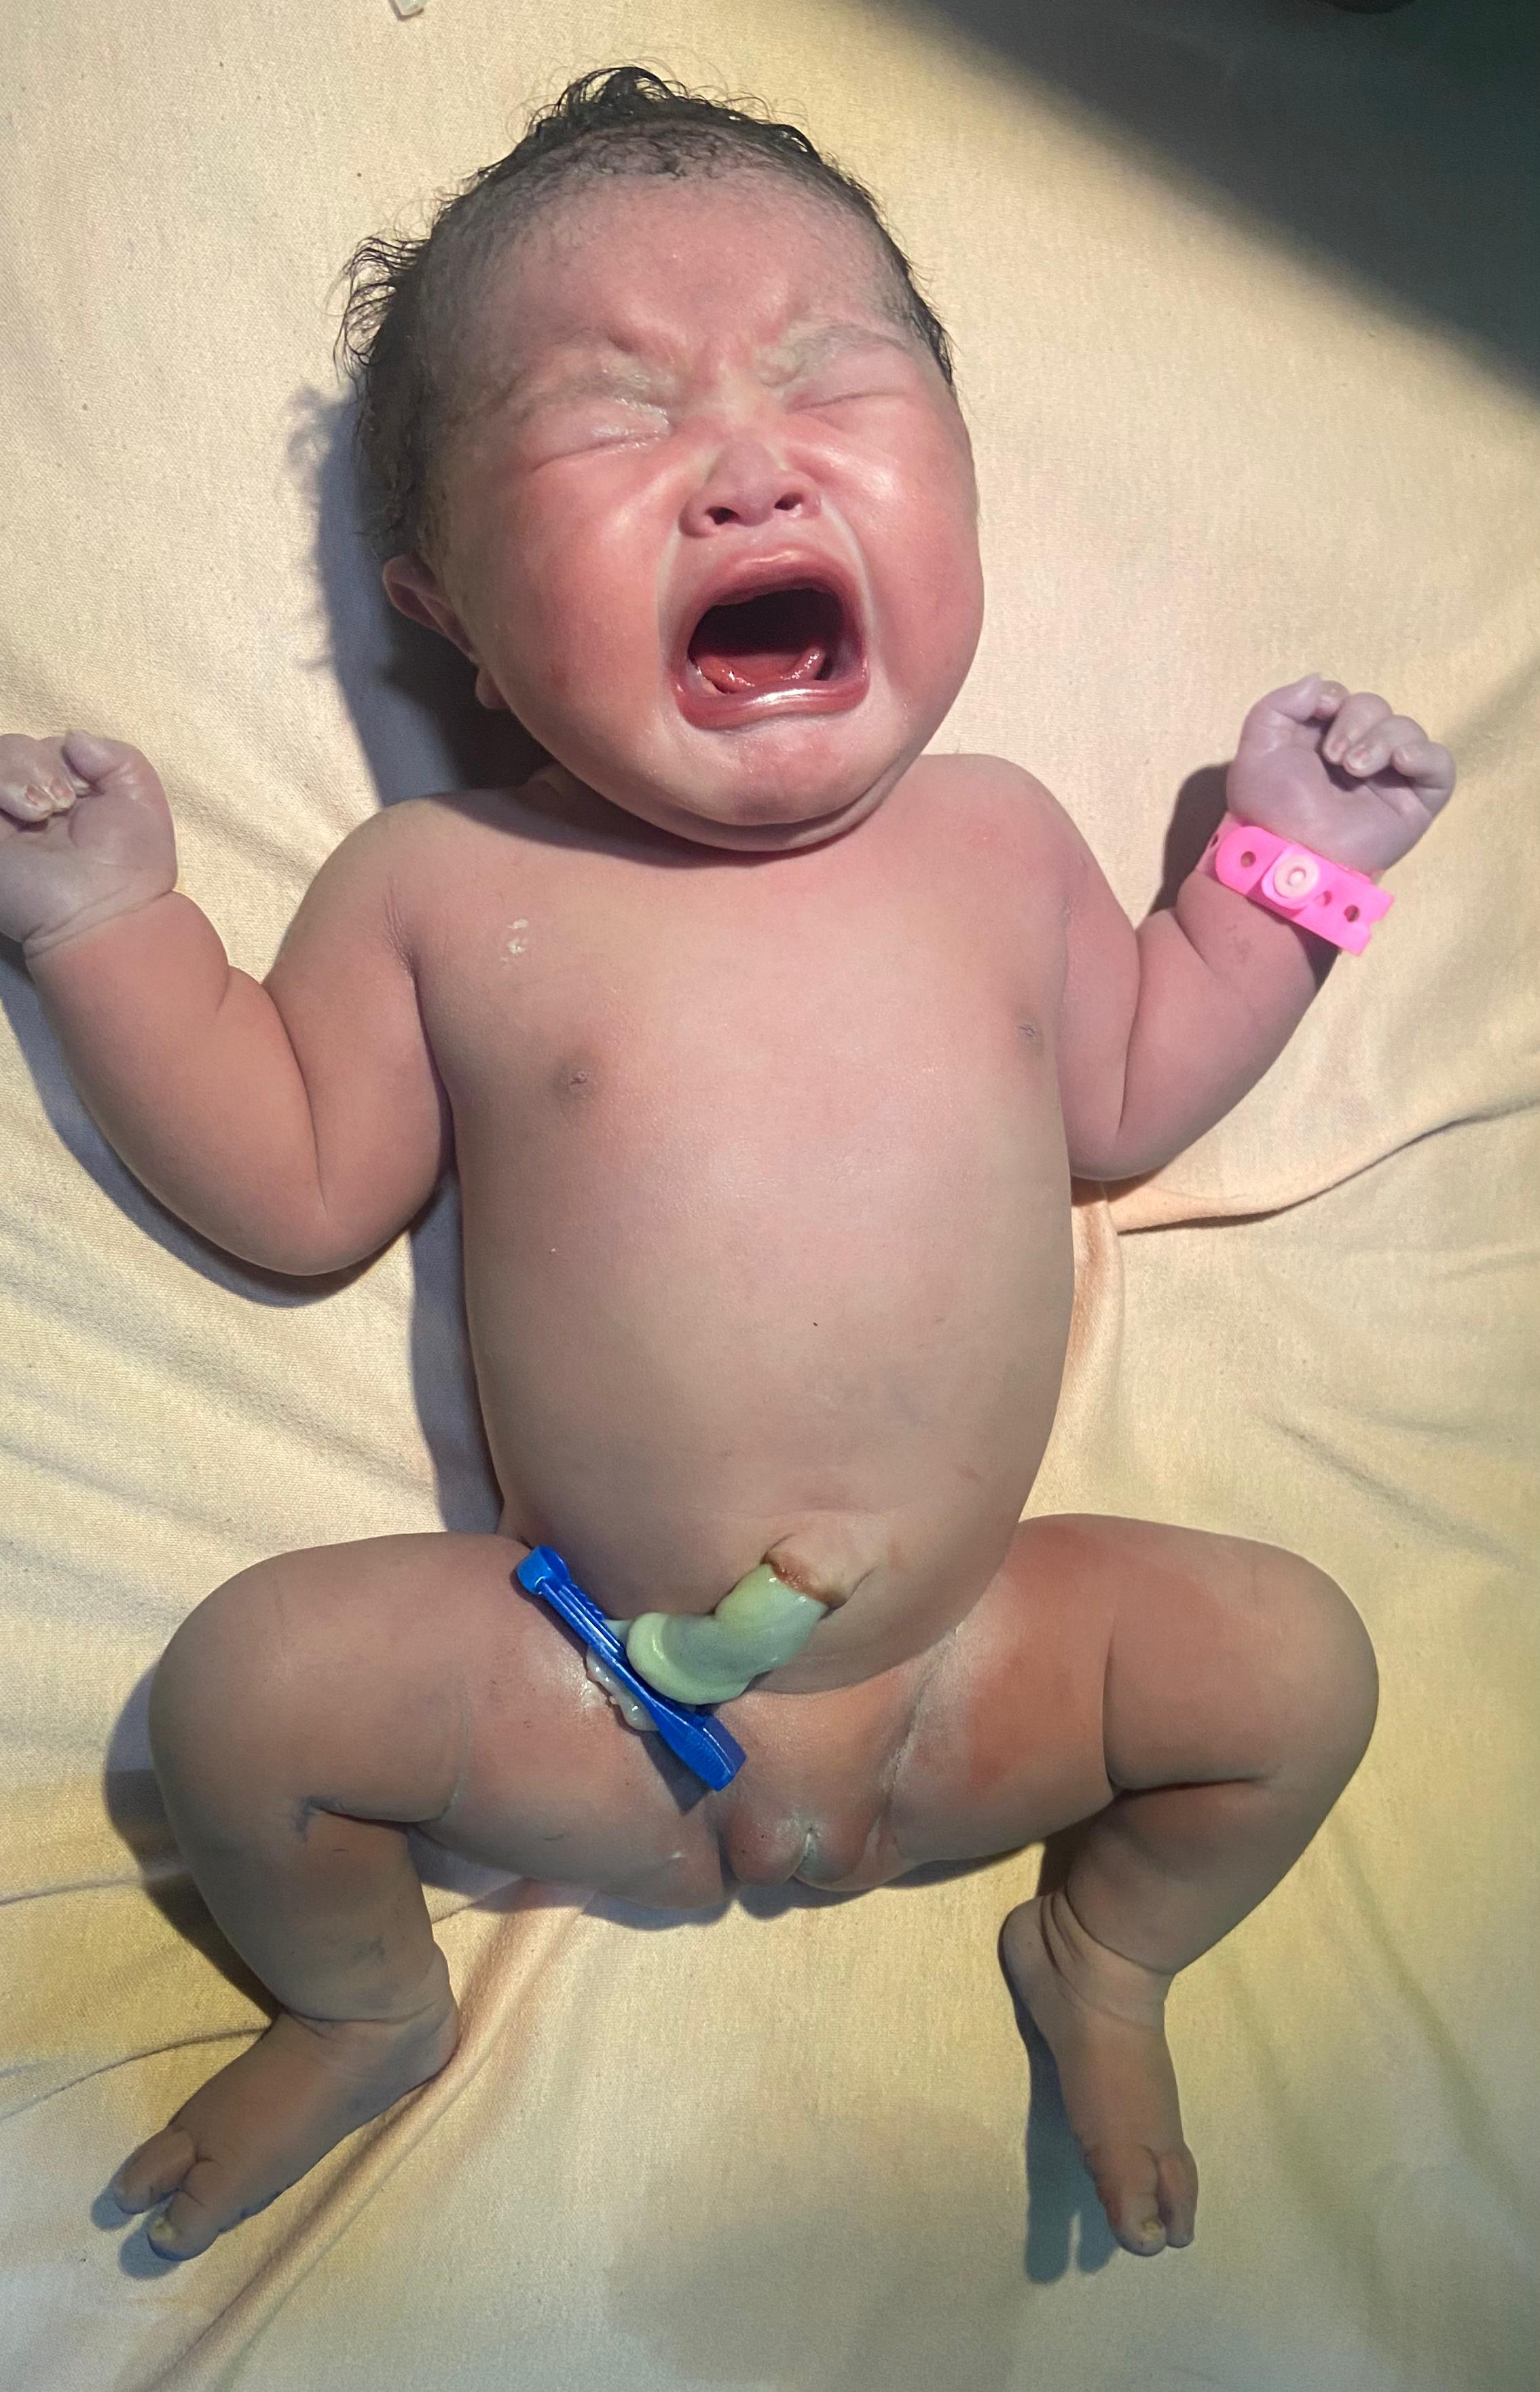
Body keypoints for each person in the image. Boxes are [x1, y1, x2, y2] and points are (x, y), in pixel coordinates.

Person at [0, 67, 1450, 2265]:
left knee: (1295, 1669)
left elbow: (1131, 1092)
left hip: (976, 1665)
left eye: (830, 377)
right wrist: (105, 926)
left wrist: (1287, 869)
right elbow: (290, 1188)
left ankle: (1104, 1953)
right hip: (584, 1684)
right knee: (241, 1696)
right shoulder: (442, 888)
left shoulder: (999, 839)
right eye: (609, 416)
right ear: (447, 613)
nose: (746, 462)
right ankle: (364, 2000)